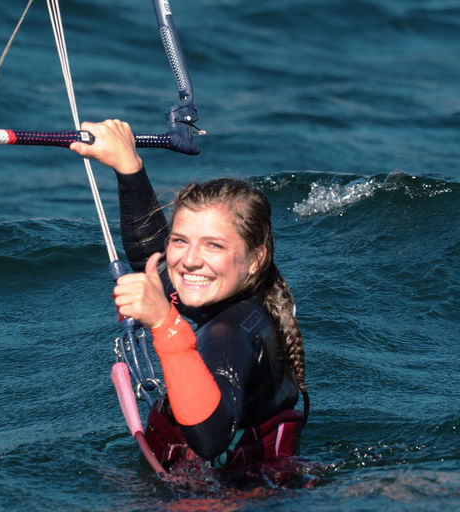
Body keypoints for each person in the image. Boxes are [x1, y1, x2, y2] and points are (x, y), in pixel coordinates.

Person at [70, 120, 309, 475]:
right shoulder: (246, 302)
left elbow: (209, 439)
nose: (189, 259)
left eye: (213, 245)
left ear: (255, 258)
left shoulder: (229, 334)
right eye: (180, 241)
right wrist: (128, 167)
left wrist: (165, 325)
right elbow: (153, 260)